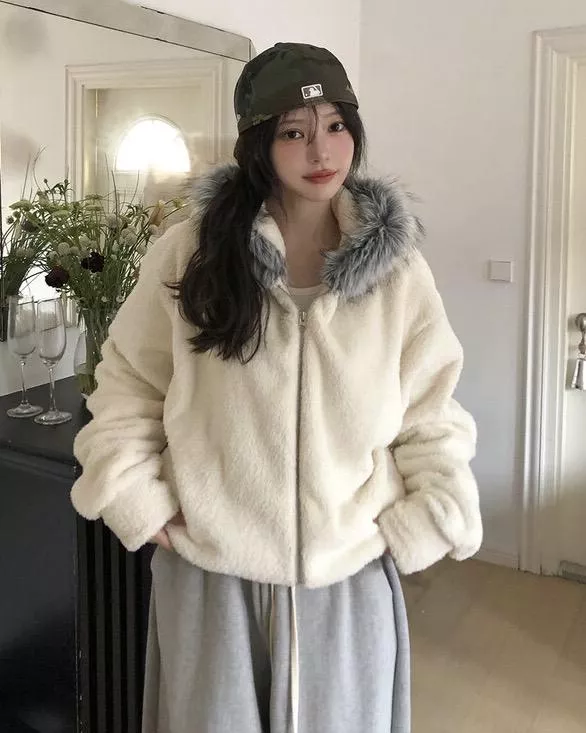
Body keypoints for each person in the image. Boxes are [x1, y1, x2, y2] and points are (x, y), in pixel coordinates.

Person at [70, 42, 482, 733]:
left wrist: (428, 515)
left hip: (348, 581)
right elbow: (127, 386)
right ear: (258, 143)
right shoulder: (191, 251)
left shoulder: (399, 273)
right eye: (294, 131)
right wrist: (137, 498)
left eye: (336, 126)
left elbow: (430, 412)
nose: (322, 150)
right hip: (213, 579)